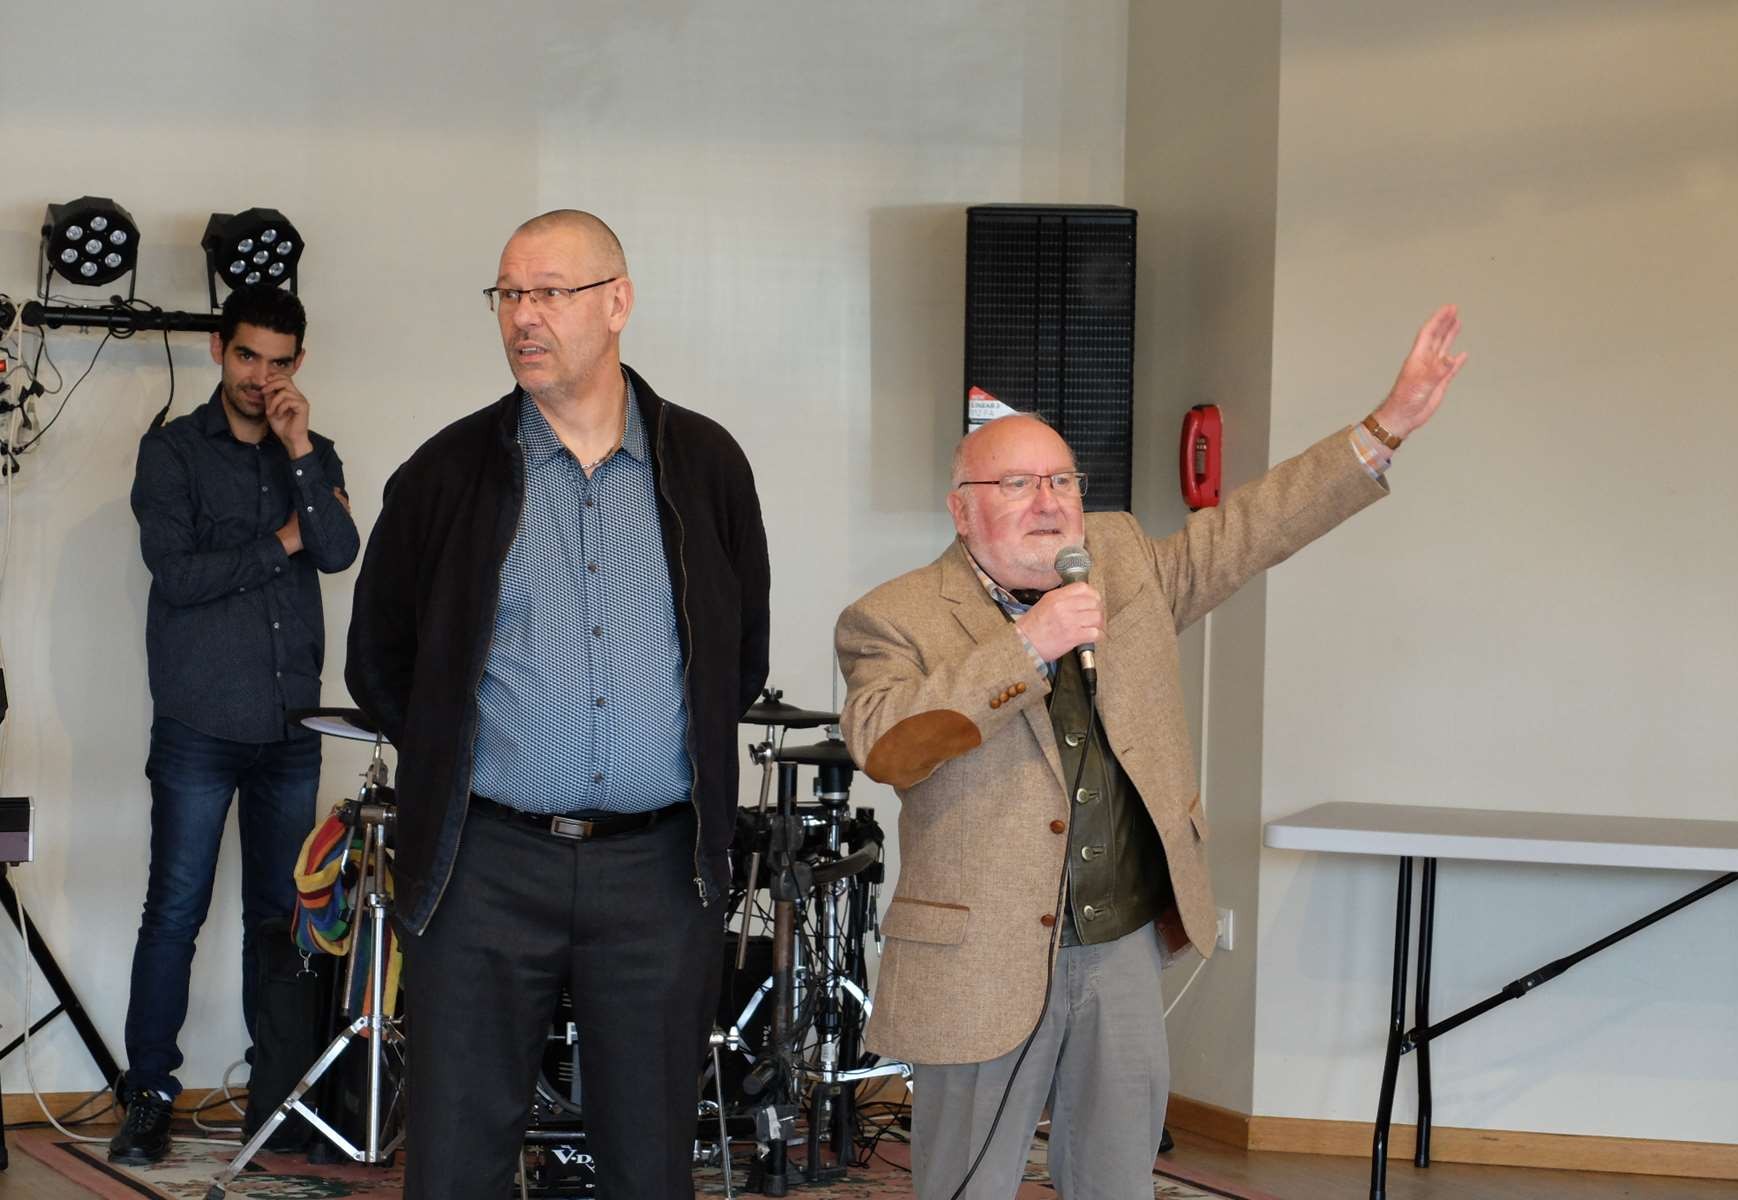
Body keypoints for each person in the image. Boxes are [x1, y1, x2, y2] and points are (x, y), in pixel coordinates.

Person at [835, 307, 1467, 1199]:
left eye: (1062, 479)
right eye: (1017, 484)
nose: (1050, 502)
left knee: (1117, 1178)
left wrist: (1385, 427)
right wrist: (1026, 647)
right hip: (979, 958)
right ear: (961, 509)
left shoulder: (1121, 561)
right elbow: (888, 746)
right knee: (965, 1185)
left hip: (1120, 940)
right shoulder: (892, 615)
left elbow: (1251, 527)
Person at [345, 210, 770, 1199]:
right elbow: (381, 662)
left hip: (658, 871)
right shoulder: (446, 473)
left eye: (548, 293)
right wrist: (468, 756)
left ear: (617, 303)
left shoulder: (705, 465)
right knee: (455, 1157)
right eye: (508, 295)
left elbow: (738, 656)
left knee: (650, 1161)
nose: (522, 317)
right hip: (485, 864)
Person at [115, 283, 360, 1164]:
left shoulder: (313, 451)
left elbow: (340, 549)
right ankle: (148, 1096)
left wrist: (298, 449)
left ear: (299, 362)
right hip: (200, 722)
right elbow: (178, 575)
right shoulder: (172, 453)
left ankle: (278, 1093)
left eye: (279, 361)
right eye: (248, 355)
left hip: (291, 729)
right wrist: (282, 541)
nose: (262, 377)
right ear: (220, 348)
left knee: (281, 920)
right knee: (174, 912)